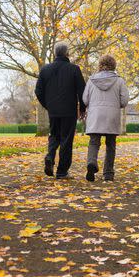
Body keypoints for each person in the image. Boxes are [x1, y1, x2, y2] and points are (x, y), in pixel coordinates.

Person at [35, 42, 86, 179]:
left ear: (55, 53)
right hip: (69, 111)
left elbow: (38, 90)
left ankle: (50, 156)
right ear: (67, 53)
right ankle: (62, 171)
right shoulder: (74, 69)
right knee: (66, 140)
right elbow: (82, 92)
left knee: (54, 136)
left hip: (53, 110)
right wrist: (82, 108)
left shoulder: (45, 69)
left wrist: (48, 105)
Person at [82, 55, 129, 182]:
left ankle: (91, 163)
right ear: (114, 65)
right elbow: (124, 101)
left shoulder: (91, 80)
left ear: (100, 65)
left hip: (95, 116)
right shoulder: (119, 81)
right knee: (110, 145)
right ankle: (108, 173)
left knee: (94, 142)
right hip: (111, 116)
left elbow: (85, 100)